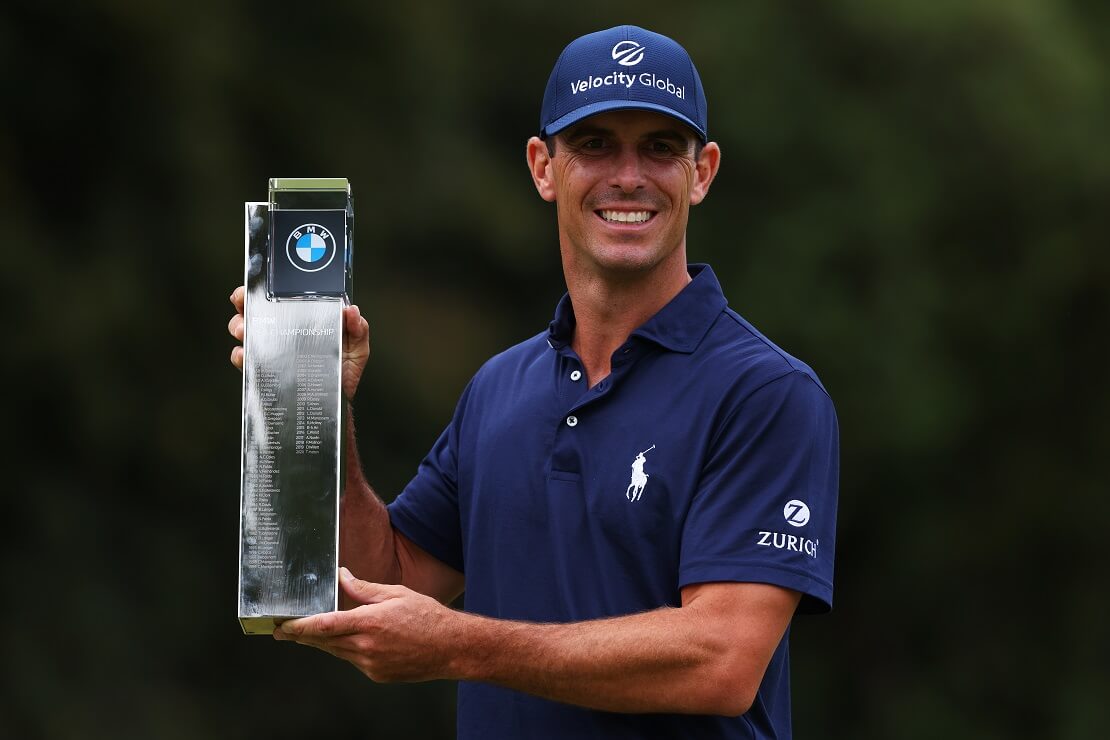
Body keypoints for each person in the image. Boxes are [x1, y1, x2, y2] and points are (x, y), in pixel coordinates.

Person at [229, 25, 839, 739]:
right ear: (543, 167)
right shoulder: (499, 387)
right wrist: (315, 408)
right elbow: (388, 583)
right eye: (595, 144)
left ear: (701, 172)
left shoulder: (766, 394)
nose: (629, 176)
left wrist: (461, 644)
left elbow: (722, 660)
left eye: (660, 148)